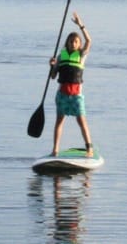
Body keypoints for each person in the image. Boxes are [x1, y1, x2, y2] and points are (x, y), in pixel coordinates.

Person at [49, 12, 94, 157]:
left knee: (81, 121)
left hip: (76, 96)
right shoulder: (61, 56)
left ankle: (89, 149)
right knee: (59, 122)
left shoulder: (81, 56)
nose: (73, 44)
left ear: (79, 44)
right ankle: (55, 150)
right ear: (67, 43)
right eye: (71, 41)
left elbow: (89, 41)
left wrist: (81, 25)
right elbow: (53, 76)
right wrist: (52, 66)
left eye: (76, 42)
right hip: (62, 95)